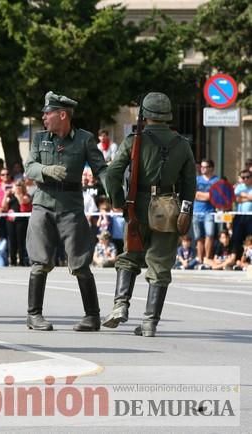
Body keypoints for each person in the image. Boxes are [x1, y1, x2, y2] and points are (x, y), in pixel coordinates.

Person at [102, 92, 196, 337]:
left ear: (146, 115)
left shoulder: (135, 140)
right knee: (161, 265)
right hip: (169, 209)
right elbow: (189, 184)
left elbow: (112, 174)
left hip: (137, 207)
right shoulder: (182, 143)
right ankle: (149, 322)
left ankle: (120, 305)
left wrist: (119, 201)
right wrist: (186, 211)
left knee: (129, 257)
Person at [23, 91, 108, 332]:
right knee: (39, 262)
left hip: (71, 206)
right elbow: (30, 167)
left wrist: (112, 188)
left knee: (80, 263)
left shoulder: (84, 139)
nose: (43, 116)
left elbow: (100, 168)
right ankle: (34, 315)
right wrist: (46, 170)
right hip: (43, 203)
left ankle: (92, 316)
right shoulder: (40, 139)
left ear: (62, 115)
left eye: (47, 113)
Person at [193, 158, 219, 264]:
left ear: (211, 168)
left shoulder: (216, 180)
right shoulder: (197, 179)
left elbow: (216, 196)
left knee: (210, 235)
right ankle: (200, 260)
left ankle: (207, 259)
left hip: (209, 212)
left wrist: (200, 195)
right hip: (196, 211)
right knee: (199, 237)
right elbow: (193, 194)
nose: (202, 168)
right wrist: (207, 196)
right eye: (201, 166)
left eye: (205, 167)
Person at [232, 169, 252, 260]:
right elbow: (236, 199)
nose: (245, 179)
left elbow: (240, 198)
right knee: (237, 238)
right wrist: (248, 197)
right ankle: (237, 259)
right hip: (239, 215)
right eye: (243, 177)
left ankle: (247, 260)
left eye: (247, 177)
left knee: (249, 238)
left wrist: (243, 195)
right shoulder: (239, 187)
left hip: (250, 216)